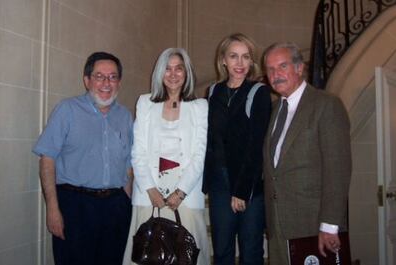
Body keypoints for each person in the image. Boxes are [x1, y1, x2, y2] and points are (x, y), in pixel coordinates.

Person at [32, 52, 133, 265]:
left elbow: (128, 165)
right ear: (87, 80)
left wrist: (127, 205)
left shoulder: (125, 116)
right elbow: (47, 159)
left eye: (113, 77)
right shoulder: (67, 110)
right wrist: (52, 208)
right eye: (99, 76)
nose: (106, 83)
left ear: (119, 82)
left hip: (115, 207)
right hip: (75, 207)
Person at [262, 42, 352, 265]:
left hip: (313, 224)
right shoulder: (273, 110)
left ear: (299, 68)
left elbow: (337, 169)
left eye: (282, 66)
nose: (276, 74)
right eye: (270, 69)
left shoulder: (326, 105)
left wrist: (330, 225)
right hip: (277, 224)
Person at [122, 48, 210, 265]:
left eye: (178, 68)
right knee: (147, 255)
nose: (173, 74)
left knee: (185, 257)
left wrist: (180, 192)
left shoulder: (200, 106)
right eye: (167, 69)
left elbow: (200, 153)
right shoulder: (145, 102)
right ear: (159, 73)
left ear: (186, 73)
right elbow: (138, 150)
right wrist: (150, 189)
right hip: (149, 194)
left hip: (186, 195)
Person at [202, 33, 272, 265]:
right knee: (222, 251)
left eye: (245, 57)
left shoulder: (259, 92)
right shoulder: (213, 92)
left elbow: (256, 145)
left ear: (252, 61)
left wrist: (241, 190)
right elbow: (211, 139)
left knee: (251, 252)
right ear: (223, 60)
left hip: (249, 184)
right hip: (220, 183)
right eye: (234, 56)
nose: (240, 63)